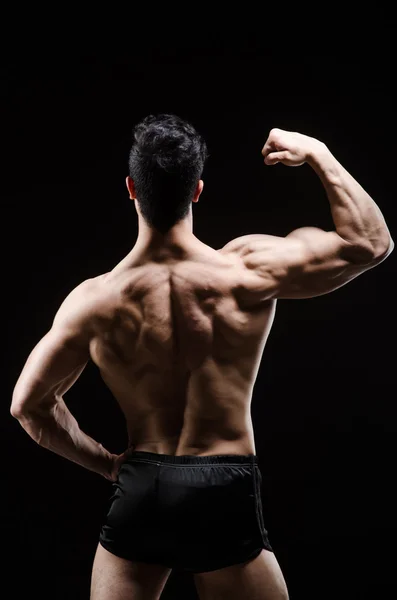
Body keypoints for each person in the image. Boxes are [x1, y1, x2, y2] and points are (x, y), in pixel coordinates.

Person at [11, 114, 393, 600]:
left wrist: (108, 464)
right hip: (224, 485)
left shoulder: (95, 300)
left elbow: (29, 406)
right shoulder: (247, 271)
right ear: (197, 191)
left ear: (131, 188)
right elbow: (371, 243)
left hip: (143, 484)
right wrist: (316, 151)